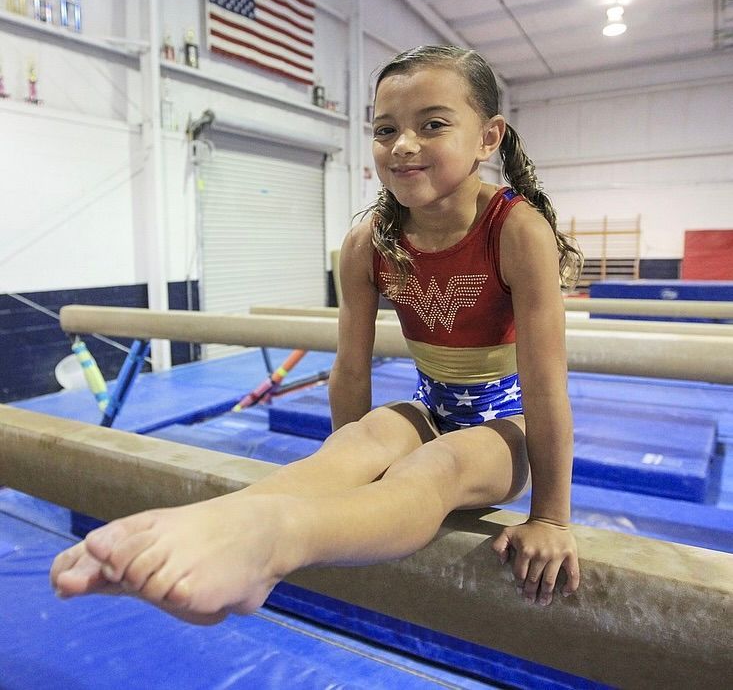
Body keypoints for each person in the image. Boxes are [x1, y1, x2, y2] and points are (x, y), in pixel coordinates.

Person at [51, 45, 583, 625]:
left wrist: (550, 518)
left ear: (488, 138)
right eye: (385, 130)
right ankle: (220, 522)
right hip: (431, 404)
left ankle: (275, 541)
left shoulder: (516, 231)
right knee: (354, 445)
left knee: (437, 468)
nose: (403, 143)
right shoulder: (368, 243)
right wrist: (347, 490)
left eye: (432, 125)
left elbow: (546, 387)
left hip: (505, 423)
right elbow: (350, 373)